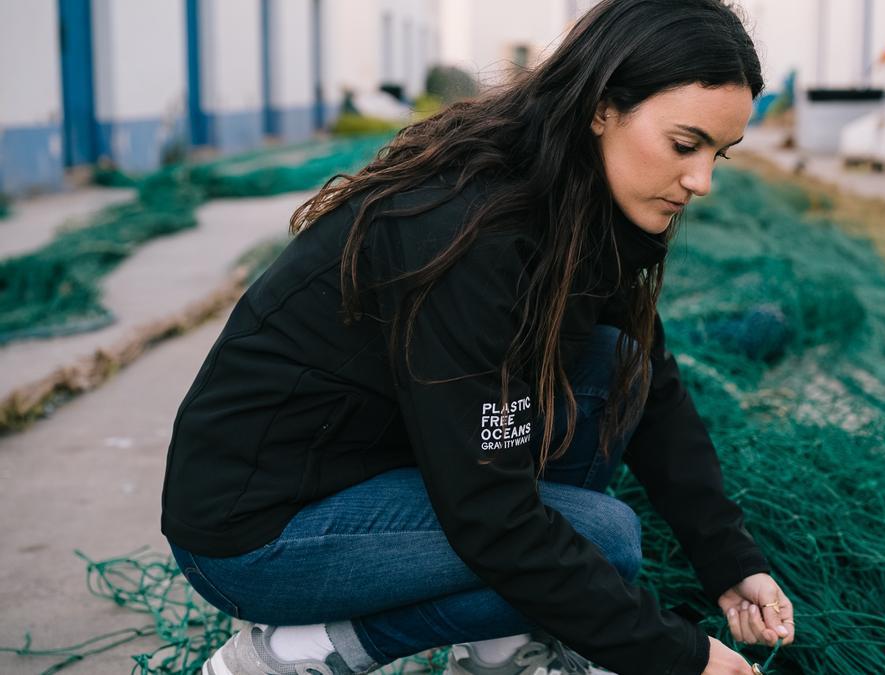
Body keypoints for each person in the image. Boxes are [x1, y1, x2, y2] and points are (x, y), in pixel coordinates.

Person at [160, 1, 795, 673]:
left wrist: (731, 562)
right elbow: (493, 517)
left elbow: (652, 389)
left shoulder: (576, 203)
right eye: (685, 145)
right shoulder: (471, 233)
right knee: (603, 537)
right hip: (259, 533)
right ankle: (294, 653)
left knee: (614, 366)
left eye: (719, 154)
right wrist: (680, 657)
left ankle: (503, 648)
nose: (701, 181)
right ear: (603, 108)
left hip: (372, 467)